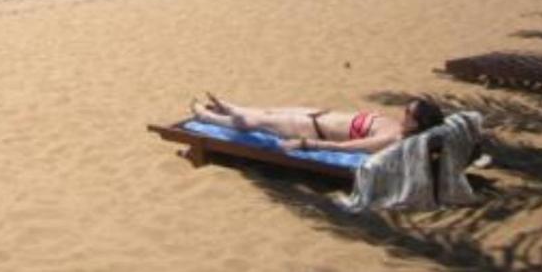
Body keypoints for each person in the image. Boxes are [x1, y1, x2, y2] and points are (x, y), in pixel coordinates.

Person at [189, 93, 444, 154]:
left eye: (408, 112)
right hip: (321, 115)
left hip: (313, 129)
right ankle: (229, 108)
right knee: (268, 111)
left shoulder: (393, 139)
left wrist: (304, 143)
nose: (403, 112)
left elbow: (348, 148)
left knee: (256, 122)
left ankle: (208, 118)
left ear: (416, 123)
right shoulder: (400, 128)